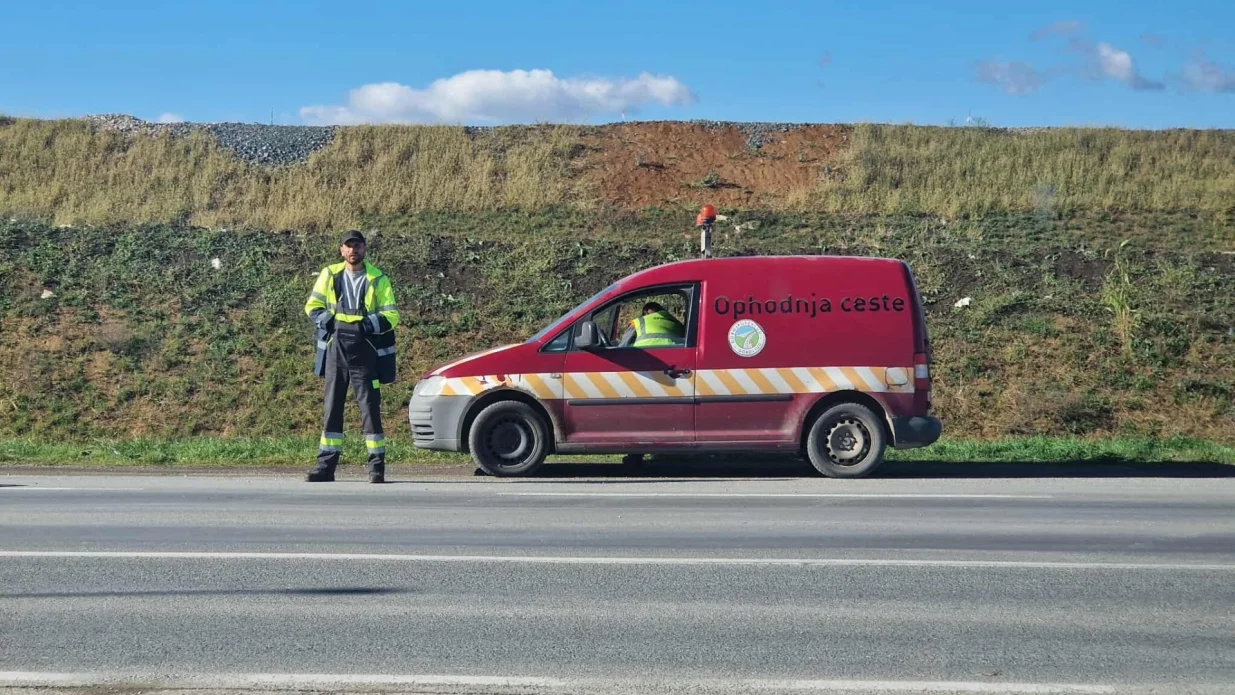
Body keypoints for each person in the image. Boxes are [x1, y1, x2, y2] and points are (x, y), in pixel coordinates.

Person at [303, 230, 400, 483]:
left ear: (364, 248)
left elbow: (391, 315)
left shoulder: (378, 278)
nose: (352, 250)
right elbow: (312, 307)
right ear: (341, 250)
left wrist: (365, 326)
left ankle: (376, 468)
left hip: (365, 349)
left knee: (370, 408)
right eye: (348, 246)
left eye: (357, 245)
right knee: (331, 407)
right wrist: (333, 323)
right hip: (336, 348)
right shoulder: (330, 274)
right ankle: (325, 467)